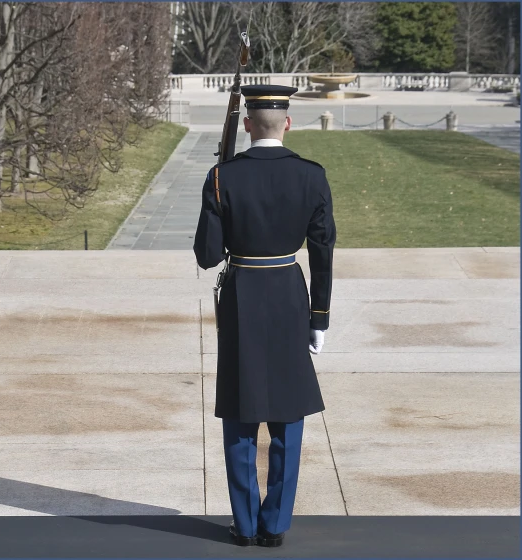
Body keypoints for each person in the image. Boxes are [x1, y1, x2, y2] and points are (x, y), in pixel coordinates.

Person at [193, 84, 336, 547]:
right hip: (291, 296)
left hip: (241, 296)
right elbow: (322, 252)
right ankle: (274, 525)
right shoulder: (312, 176)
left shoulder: (222, 175)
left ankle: (245, 523)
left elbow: (207, 255)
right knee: (287, 414)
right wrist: (319, 317)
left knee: (240, 410)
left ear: (249, 125)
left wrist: (217, 187)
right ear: (288, 124)